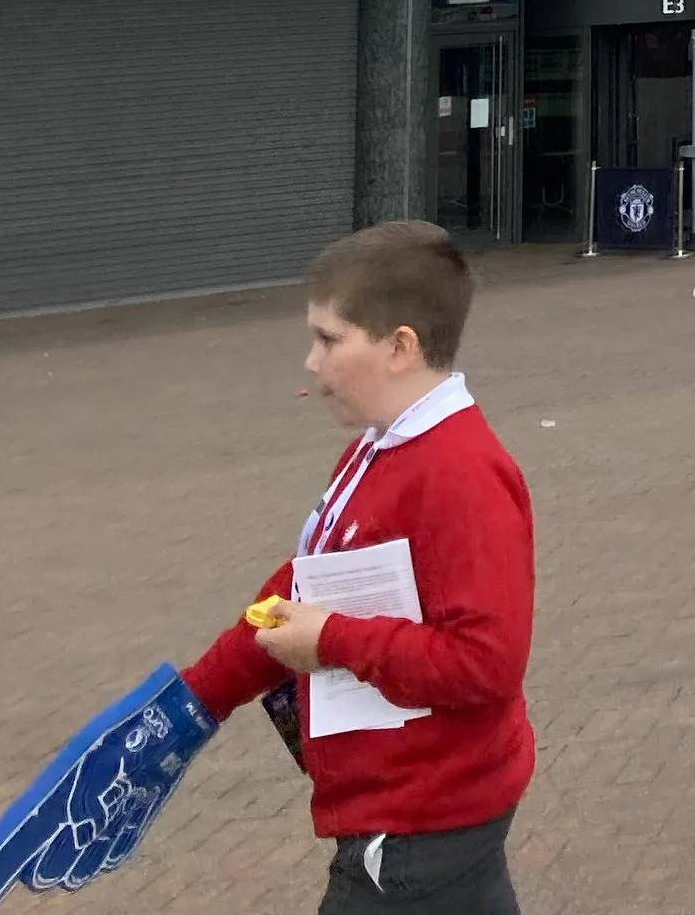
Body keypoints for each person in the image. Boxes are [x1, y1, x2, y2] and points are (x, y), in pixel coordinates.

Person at [179, 222, 535, 915]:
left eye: (329, 339)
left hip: (418, 829)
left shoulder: (458, 473)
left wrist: (332, 639)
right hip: (409, 816)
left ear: (400, 345)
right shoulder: (378, 450)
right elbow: (308, 580)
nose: (311, 363)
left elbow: (487, 661)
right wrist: (201, 696)